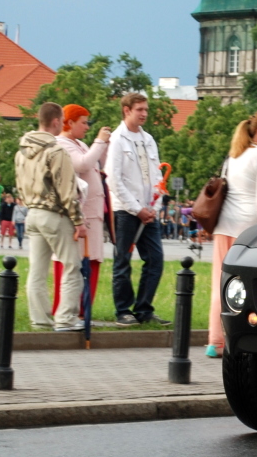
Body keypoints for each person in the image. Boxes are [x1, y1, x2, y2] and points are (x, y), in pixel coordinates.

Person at [207, 110, 257, 357]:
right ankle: (239, 342)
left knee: (220, 284)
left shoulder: (234, 155)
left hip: (224, 227)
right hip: (246, 231)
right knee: (244, 290)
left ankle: (214, 342)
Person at [16, 102, 87, 331]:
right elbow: (66, 189)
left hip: (32, 212)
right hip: (54, 214)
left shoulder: (22, 152)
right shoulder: (56, 151)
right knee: (70, 266)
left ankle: (39, 319)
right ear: (56, 122)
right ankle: (66, 318)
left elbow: (19, 185)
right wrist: (78, 221)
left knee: (37, 270)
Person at [106, 92, 165, 326]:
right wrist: (135, 208)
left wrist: (154, 206)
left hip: (148, 211)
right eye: (139, 109)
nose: (144, 114)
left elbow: (157, 175)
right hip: (125, 211)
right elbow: (114, 179)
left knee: (155, 259)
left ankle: (144, 308)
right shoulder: (117, 140)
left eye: (146, 109)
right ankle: (123, 310)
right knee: (123, 260)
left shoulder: (148, 139)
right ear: (127, 110)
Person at [51, 104, 112, 322]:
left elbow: (100, 164)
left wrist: (104, 146)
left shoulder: (81, 143)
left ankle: (85, 308)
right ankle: (68, 308)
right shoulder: (62, 144)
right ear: (69, 123)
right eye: (84, 122)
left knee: (93, 260)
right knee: (73, 262)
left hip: (93, 213)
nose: (87, 127)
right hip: (79, 214)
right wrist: (99, 142)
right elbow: (82, 165)